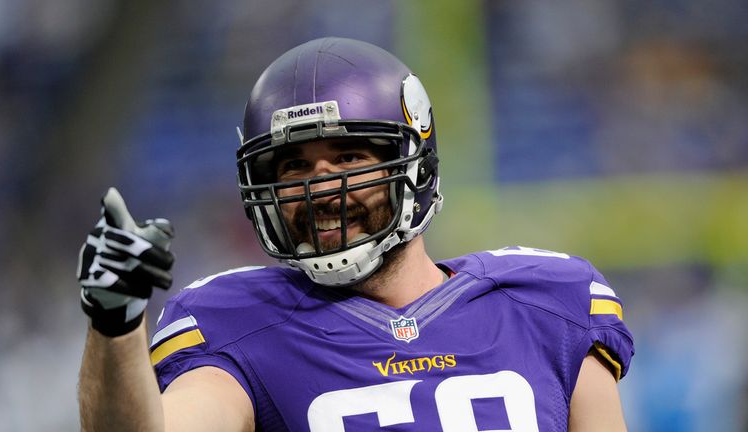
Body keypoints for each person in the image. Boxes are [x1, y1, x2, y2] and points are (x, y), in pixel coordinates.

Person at [77, 37, 633, 431]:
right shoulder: (239, 324)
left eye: (348, 158)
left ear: (414, 168)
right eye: (294, 167)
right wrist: (114, 325)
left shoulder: (545, 304)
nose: (322, 188)